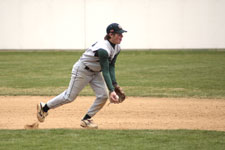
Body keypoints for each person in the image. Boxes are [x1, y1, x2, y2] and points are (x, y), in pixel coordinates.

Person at [37, 23, 127, 129]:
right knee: (69, 97)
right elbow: (106, 71)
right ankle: (44, 107)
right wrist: (112, 90)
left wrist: (115, 85)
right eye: (119, 34)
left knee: (103, 96)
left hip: (95, 72)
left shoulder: (117, 48)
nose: (121, 36)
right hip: (82, 70)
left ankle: (86, 119)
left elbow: (111, 66)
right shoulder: (103, 49)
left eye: (122, 34)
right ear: (111, 34)